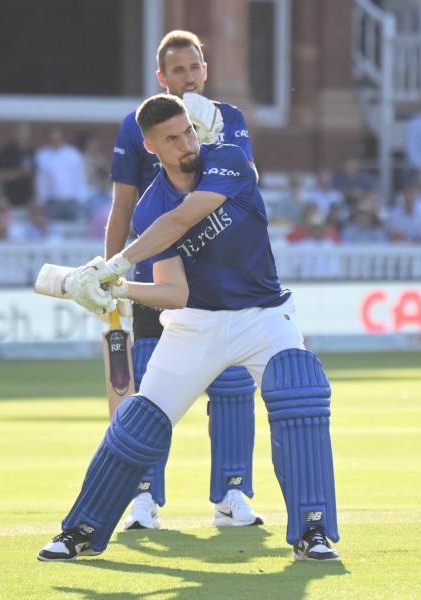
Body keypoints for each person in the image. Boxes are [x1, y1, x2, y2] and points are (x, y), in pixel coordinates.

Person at [34, 93, 339, 562]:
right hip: (195, 324)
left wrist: (113, 266)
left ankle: (312, 532)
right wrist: (120, 289)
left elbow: (184, 219)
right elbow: (173, 292)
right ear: (151, 148)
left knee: (299, 392)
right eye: (172, 139)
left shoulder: (229, 161)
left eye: (188, 132)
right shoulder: (148, 207)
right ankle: (80, 530)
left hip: (264, 314)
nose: (186, 144)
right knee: (137, 424)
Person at [105, 30, 263, 532]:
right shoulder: (139, 126)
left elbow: (245, 182)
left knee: (233, 383)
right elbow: (123, 206)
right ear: (162, 78)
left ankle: (232, 495)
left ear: (205, 69)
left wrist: (210, 136)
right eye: (178, 71)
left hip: (221, 276)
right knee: (151, 381)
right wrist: (111, 278)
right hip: (161, 270)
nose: (189, 77)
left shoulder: (229, 120)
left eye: (195, 67)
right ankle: (144, 497)